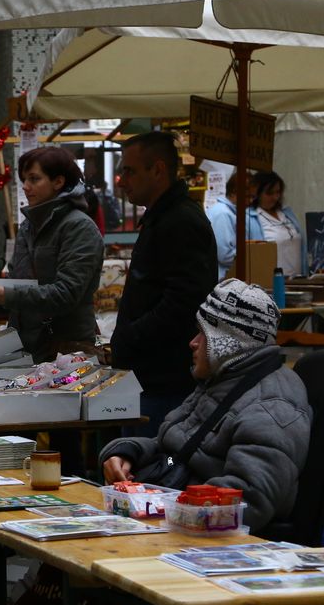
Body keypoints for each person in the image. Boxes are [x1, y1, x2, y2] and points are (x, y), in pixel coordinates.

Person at [101, 279, 312, 531]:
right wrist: (128, 455)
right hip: (176, 515)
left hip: (208, 538)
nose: (193, 342)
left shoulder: (271, 405)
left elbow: (251, 499)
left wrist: (167, 506)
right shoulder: (224, 380)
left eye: (204, 333)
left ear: (230, 340)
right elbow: (174, 455)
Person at [110, 132, 217, 436]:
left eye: (128, 171)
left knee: (158, 465)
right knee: (137, 465)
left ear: (157, 170)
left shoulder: (180, 221)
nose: (120, 181)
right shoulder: (163, 217)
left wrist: (129, 338)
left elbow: (183, 302)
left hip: (164, 384)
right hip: (149, 379)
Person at [0, 146, 103, 362]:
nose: (25, 187)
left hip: (66, 353)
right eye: (24, 179)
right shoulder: (28, 227)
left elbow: (66, 294)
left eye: (34, 179)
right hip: (25, 348)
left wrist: (4, 295)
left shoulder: (79, 227)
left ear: (58, 182)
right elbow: (18, 289)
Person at [246, 171, 306, 277]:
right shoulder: (250, 218)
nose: (275, 197)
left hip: (298, 279)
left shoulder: (287, 213)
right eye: (269, 193)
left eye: (278, 192)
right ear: (257, 193)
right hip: (271, 282)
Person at [205, 174, 241, 281]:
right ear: (235, 192)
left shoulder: (227, 211)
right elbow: (224, 254)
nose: (252, 201)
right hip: (222, 278)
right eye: (249, 196)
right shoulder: (223, 213)